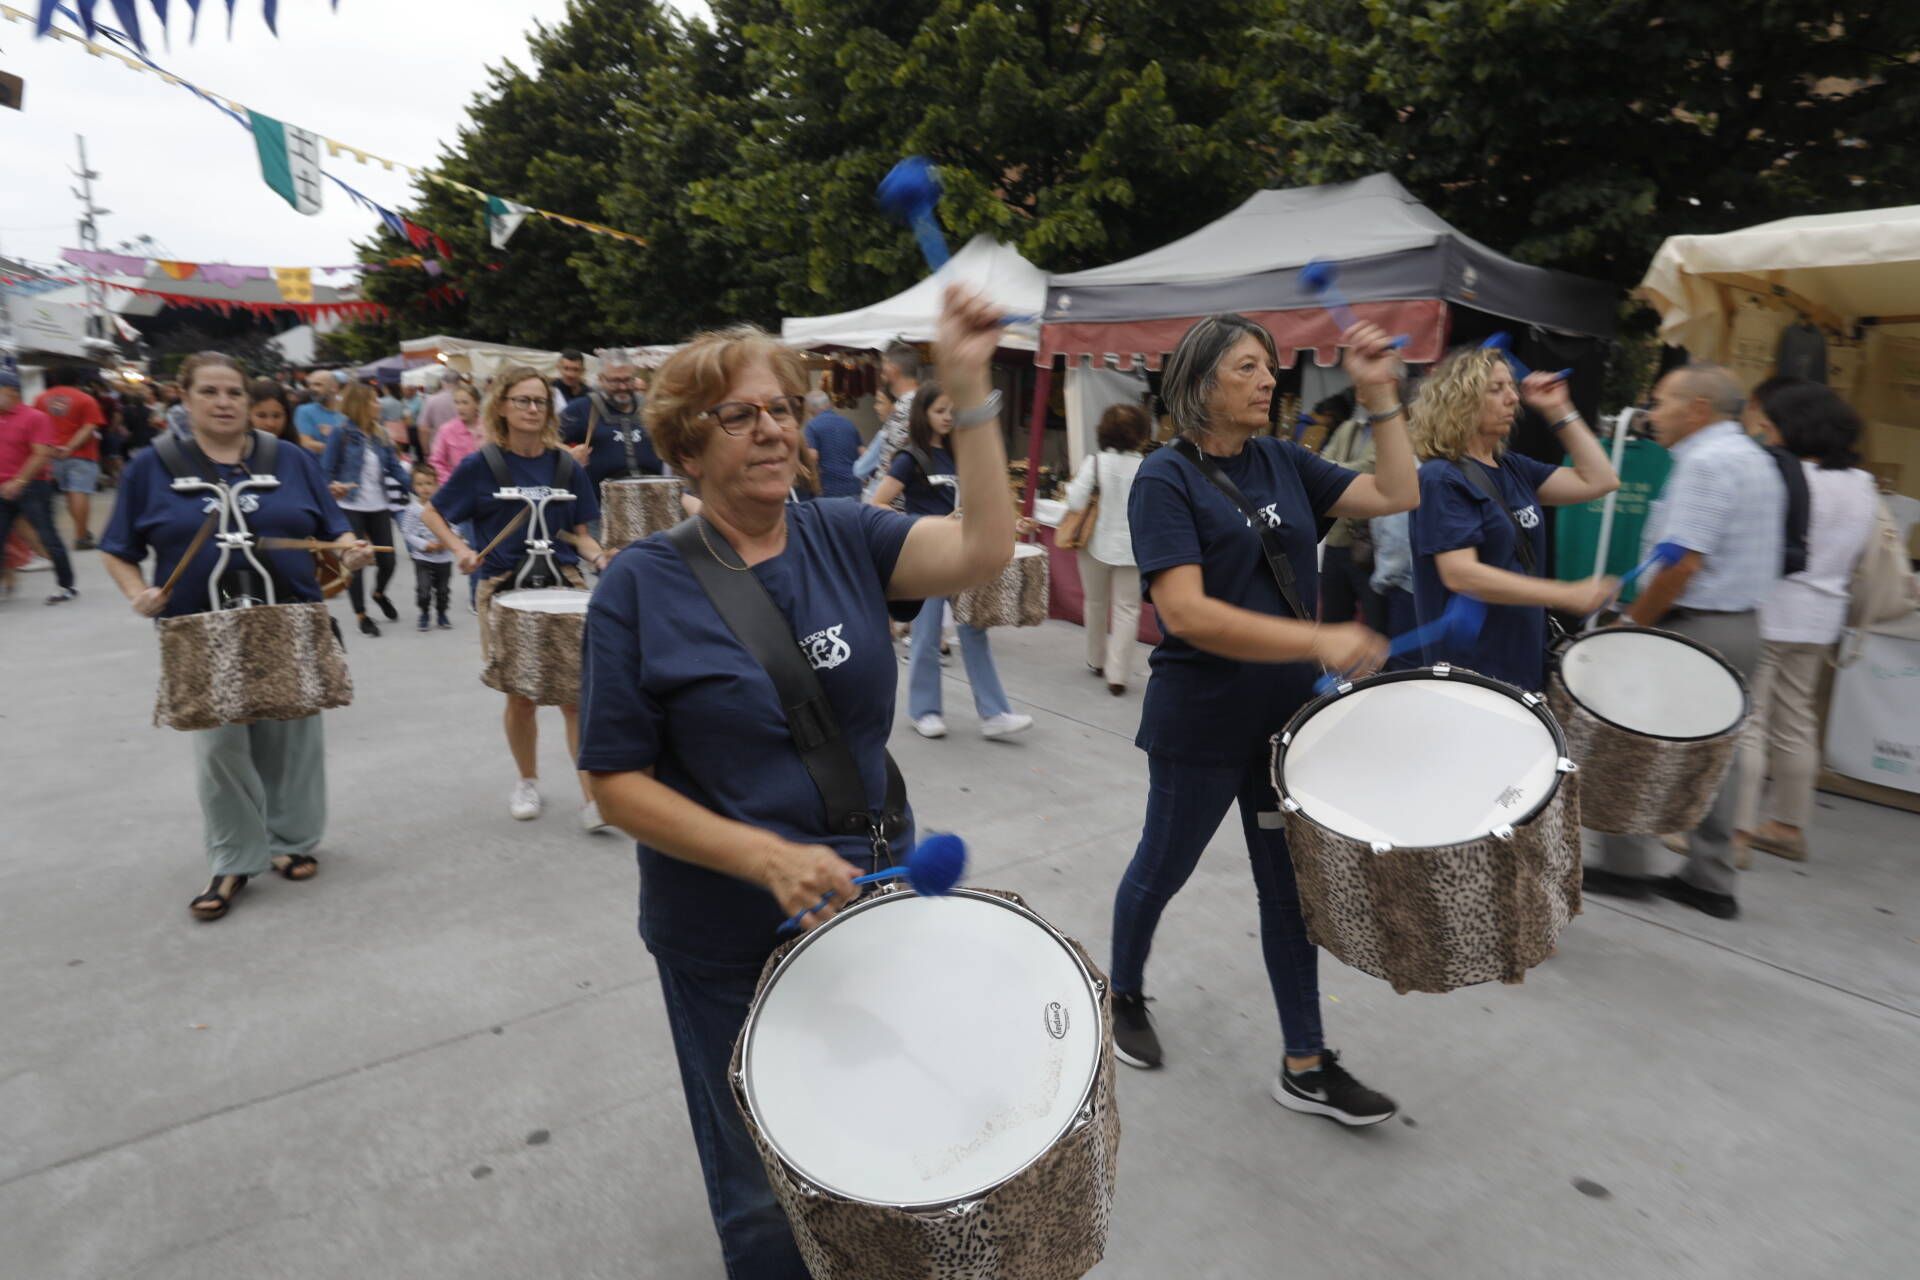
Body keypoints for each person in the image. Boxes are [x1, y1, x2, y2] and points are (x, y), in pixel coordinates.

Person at [578, 288, 1017, 1278]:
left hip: (876, 892)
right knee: (764, 1186)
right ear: (688, 448)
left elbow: (984, 547)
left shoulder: (844, 532)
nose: (772, 425)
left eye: (780, 406)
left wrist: (971, 385)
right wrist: (763, 855)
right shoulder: (639, 585)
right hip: (726, 933)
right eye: (740, 413)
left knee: (881, 1129)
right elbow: (613, 780)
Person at [1106, 313, 1418, 1124]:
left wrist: (1380, 393)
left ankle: (1305, 1063)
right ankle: (1123, 992)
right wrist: (1321, 635)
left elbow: (1397, 492)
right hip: (1201, 722)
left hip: (1285, 725)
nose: (1268, 381)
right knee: (1161, 869)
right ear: (1202, 381)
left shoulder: (1284, 460)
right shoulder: (1162, 480)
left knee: (1288, 892)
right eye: (1248, 368)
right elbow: (1186, 614)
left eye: (1269, 367)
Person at [99, 351, 371, 920]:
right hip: (202, 628)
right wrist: (136, 595)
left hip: (288, 619)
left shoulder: (289, 459)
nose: (224, 403)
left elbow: (333, 526)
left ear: (249, 402)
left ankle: (291, 840)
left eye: (234, 393)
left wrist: (349, 549)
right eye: (210, 392)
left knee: (292, 736)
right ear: (185, 396)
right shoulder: (154, 465)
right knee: (220, 746)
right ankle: (233, 858)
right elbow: (118, 549)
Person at [1584, 363, 1786, 920]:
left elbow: (1682, 564)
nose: (1650, 414)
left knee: (1626, 740)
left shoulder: (1706, 463)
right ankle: (1710, 879)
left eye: (1661, 401)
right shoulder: (1754, 458)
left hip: (1691, 624)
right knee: (1713, 756)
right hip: (1740, 624)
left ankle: (1626, 866)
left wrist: (1632, 625)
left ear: (1698, 408)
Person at [418, 366, 609, 827]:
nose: (531, 409)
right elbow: (432, 513)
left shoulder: (564, 464)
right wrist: (462, 549)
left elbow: (580, 534)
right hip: (505, 585)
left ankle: (591, 797)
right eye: (522, 400)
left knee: (574, 695)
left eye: (539, 401)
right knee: (521, 695)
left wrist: (601, 557)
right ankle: (527, 780)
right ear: (501, 405)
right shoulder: (481, 464)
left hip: (562, 582)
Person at [1407, 347, 1619, 690]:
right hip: (1471, 669)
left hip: (1520, 659)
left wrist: (1558, 409)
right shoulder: (1440, 477)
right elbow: (1460, 574)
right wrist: (1562, 594)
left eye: (1511, 387)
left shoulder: (1513, 467)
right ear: (1461, 401)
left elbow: (1601, 479)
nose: (1513, 398)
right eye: (1496, 389)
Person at [1734, 380, 1879, 863]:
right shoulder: (1862, 483)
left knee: (1748, 720)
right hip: (1823, 615)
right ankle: (1787, 825)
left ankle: (1733, 831)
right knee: (1796, 721)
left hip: (1773, 608)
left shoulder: (1788, 477)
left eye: (1771, 423)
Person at [868, 380, 1034, 740]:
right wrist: (924, 525)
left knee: (974, 629)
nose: (947, 417)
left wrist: (1007, 521)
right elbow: (877, 504)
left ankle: (994, 713)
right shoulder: (908, 457)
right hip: (926, 555)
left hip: (963, 554)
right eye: (939, 411)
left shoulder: (959, 453)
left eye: (951, 411)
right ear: (923, 414)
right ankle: (924, 710)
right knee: (926, 634)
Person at [1064, 401, 1150, 694]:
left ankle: (1095, 659)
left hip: (1095, 543)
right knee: (1127, 610)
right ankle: (1118, 675)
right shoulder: (1146, 467)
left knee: (1095, 603)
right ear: (1139, 433)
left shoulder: (1096, 462)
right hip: (1132, 548)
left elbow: (1074, 502)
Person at [321, 382, 413, 637]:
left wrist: (415, 487)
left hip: (378, 505)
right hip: (350, 505)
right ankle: (361, 614)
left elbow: (394, 468)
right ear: (360, 404)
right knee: (357, 562)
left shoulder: (380, 434)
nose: (378, 404)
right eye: (373, 400)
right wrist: (333, 486)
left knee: (388, 560)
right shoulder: (341, 434)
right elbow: (325, 472)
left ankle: (379, 592)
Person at [559, 347, 661, 534]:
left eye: (627, 380)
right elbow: (546, 438)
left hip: (653, 506)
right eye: (615, 381)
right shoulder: (582, 409)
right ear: (601, 379)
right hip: (601, 512)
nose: (622, 387)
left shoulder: (651, 408)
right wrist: (567, 453)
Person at [0, 371, 79, 604]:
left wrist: (19, 481)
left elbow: (41, 453)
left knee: (47, 536)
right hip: (2, 488)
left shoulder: (35, 417)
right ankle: (7, 579)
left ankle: (66, 586)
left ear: (11, 391)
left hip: (33, 486)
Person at [1318, 397, 1385, 629]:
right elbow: (1321, 462)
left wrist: (1329, 473)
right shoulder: (1349, 427)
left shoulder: (1392, 430)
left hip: (1370, 544)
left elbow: (1373, 467)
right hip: (1336, 539)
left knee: (1375, 624)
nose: (1360, 393)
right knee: (1332, 621)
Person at [35, 367, 108, 550]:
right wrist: (70, 447)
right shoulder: (86, 399)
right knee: (79, 492)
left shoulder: (41, 398)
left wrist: (50, 448)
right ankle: (81, 536)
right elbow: (89, 427)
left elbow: (35, 425)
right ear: (77, 380)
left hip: (51, 454)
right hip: (80, 454)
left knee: (69, 493)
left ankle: (82, 531)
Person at [855, 345, 919, 498]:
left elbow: (893, 466)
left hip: (896, 505)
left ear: (893, 370)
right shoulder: (921, 402)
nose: (881, 375)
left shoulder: (904, 409)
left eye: (883, 369)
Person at [399, 465, 456, 631]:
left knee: (443, 590)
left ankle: (442, 614)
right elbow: (407, 532)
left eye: (429, 483)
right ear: (414, 487)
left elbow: (455, 526)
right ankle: (424, 613)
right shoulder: (412, 510)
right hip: (423, 557)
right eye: (420, 484)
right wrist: (425, 545)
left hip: (444, 557)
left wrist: (448, 541)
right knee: (423, 589)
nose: (425, 488)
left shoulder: (444, 506)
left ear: (437, 485)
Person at [1369, 509, 1418, 667]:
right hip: (1409, 583)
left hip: (1404, 586)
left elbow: (1396, 540)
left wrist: (1382, 579)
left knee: (1403, 662)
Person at [801, 389, 863, 499]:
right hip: (854, 488)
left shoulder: (812, 426)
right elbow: (863, 453)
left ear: (810, 408)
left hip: (829, 488)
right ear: (828, 404)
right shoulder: (849, 424)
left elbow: (812, 457)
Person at [293, 370, 345, 457]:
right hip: (318, 468)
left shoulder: (349, 411)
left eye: (318, 384)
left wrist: (335, 434)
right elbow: (305, 443)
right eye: (310, 385)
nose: (312, 389)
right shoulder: (304, 411)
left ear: (334, 387)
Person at [248, 379, 301, 446]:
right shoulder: (234, 454)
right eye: (261, 416)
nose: (270, 424)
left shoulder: (298, 454)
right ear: (247, 415)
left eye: (276, 416)